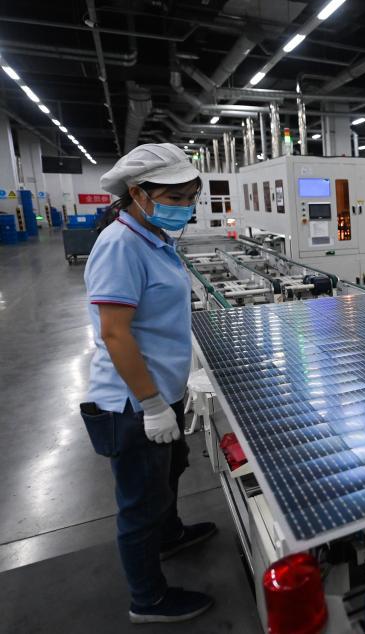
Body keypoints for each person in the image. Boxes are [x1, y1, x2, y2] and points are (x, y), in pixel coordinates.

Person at [79, 144, 215, 624]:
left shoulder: (154, 236)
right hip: (132, 403)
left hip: (162, 390)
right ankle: (148, 598)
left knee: (169, 473)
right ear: (137, 194)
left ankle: (170, 534)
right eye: (175, 197)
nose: (186, 206)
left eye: (191, 197)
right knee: (140, 503)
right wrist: (152, 404)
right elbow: (115, 334)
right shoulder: (120, 245)